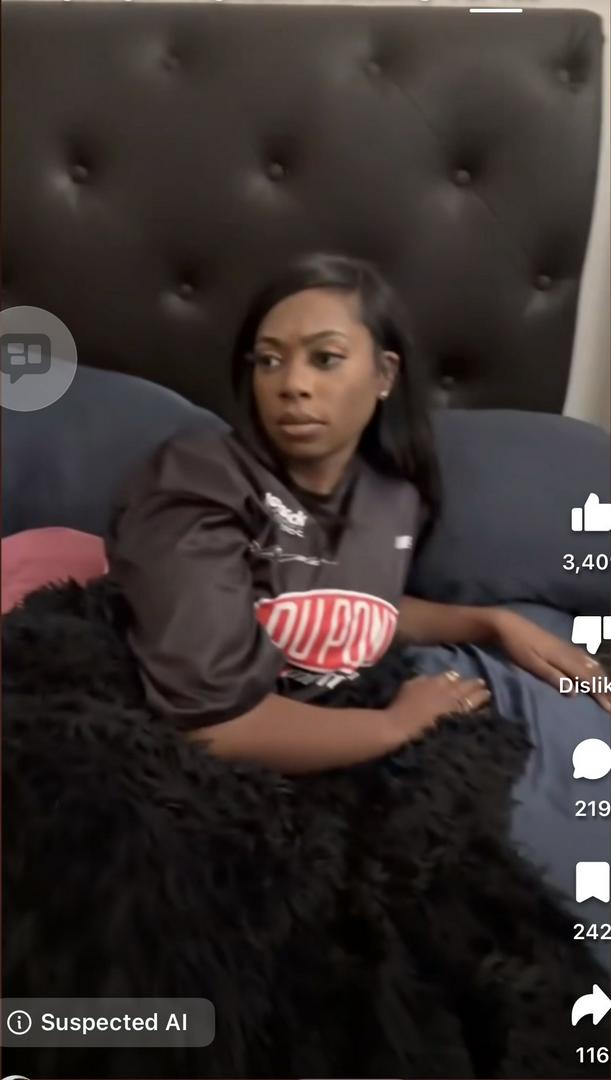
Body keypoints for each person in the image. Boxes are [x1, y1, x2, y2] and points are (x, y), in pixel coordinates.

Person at [105, 252, 610, 777]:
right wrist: (394, 725)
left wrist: (492, 623)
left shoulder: (394, 495)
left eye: (324, 359)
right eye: (269, 361)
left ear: (384, 374)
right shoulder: (196, 481)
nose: (292, 384)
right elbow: (213, 723)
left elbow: (357, 598)